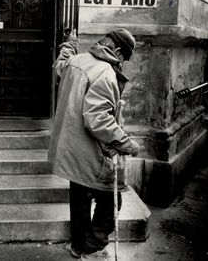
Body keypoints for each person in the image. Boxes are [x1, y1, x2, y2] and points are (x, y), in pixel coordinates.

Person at [48, 28, 141, 261]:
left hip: (70, 148)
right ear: (118, 52)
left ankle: (78, 246)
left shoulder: (76, 61)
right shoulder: (106, 73)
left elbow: (60, 62)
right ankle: (92, 248)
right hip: (91, 151)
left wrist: (70, 43)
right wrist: (126, 143)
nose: (123, 63)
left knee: (79, 199)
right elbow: (98, 119)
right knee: (110, 201)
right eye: (125, 59)